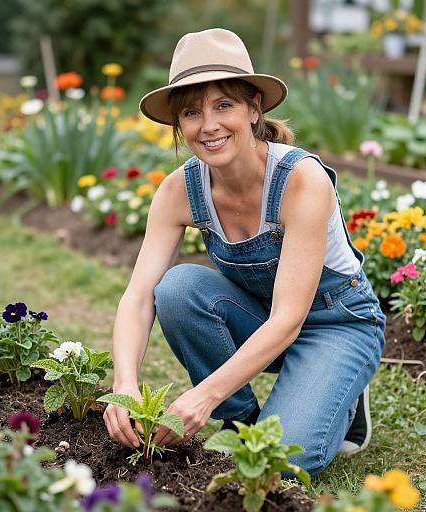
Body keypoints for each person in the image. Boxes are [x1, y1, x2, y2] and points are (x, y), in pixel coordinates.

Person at [103, 28, 386, 477]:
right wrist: (125, 385)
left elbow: (289, 318)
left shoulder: (299, 180)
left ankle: (342, 388)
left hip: (336, 323)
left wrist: (203, 395)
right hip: (260, 318)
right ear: (179, 125)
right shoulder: (180, 191)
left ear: (254, 108)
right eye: (192, 112)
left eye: (224, 105)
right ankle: (242, 424)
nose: (208, 125)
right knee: (176, 288)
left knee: (284, 461)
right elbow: (138, 296)